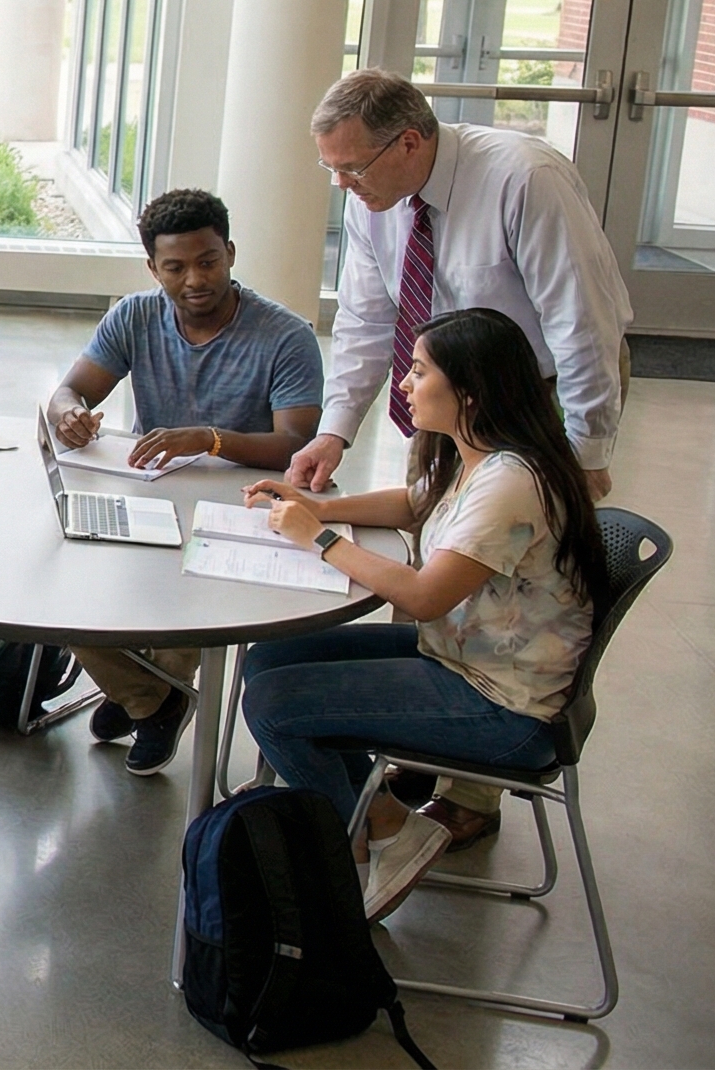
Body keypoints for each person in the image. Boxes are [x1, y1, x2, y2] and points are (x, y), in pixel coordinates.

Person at [290, 69, 632, 848]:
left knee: (510, 562)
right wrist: (334, 432)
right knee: (453, 533)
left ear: (409, 141)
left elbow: (583, 324)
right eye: (330, 169)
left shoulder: (524, 177)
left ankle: (471, 796)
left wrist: (584, 454)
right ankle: (429, 735)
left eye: (352, 167)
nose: (342, 184)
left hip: (535, 383)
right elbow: (370, 321)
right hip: (446, 379)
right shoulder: (373, 197)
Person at [238, 308, 608, 921]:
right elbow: (416, 504)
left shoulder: (513, 481)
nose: (404, 384)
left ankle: (383, 832)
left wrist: (319, 539)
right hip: (462, 658)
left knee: (276, 705)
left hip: (502, 706)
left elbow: (422, 597)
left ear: (470, 392)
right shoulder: (487, 457)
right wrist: (315, 505)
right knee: (273, 659)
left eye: (417, 371)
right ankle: (349, 813)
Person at [43, 188, 323, 773]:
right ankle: (150, 699)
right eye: (175, 267)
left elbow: (296, 444)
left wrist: (208, 438)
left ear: (230, 254)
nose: (194, 278)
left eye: (208, 261)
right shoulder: (136, 314)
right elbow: (70, 391)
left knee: (183, 613)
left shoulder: (285, 335)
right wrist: (69, 414)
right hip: (150, 495)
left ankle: (143, 696)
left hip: (243, 510)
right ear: (153, 268)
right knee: (58, 590)